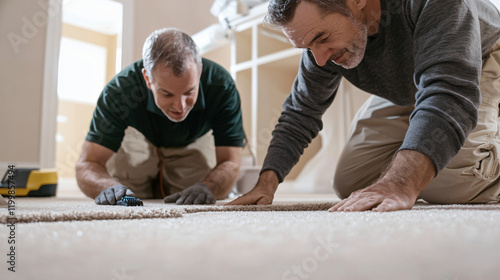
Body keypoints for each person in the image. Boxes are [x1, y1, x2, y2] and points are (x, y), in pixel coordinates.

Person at [228, 0, 500, 211]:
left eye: (322, 38)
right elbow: (301, 111)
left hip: (473, 64)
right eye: (308, 48)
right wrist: (267, 182)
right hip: (410, 86)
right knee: (351, 182)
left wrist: (401, 183)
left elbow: (448, 92)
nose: (319, 60)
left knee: (454, 182)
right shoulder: (320, 49)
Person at [76, 28, 246, 205]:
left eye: (189, 91)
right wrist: (106, 186)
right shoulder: (119, 92)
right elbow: (87, 163)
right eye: (167, 94)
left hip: (192, 140)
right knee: (128, 190)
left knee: (191, 193)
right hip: (140, 136)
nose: (180, 107)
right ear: (147, 79)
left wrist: (209, 186)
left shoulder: (222, 85)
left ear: (200, 71)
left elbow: (231, 162)